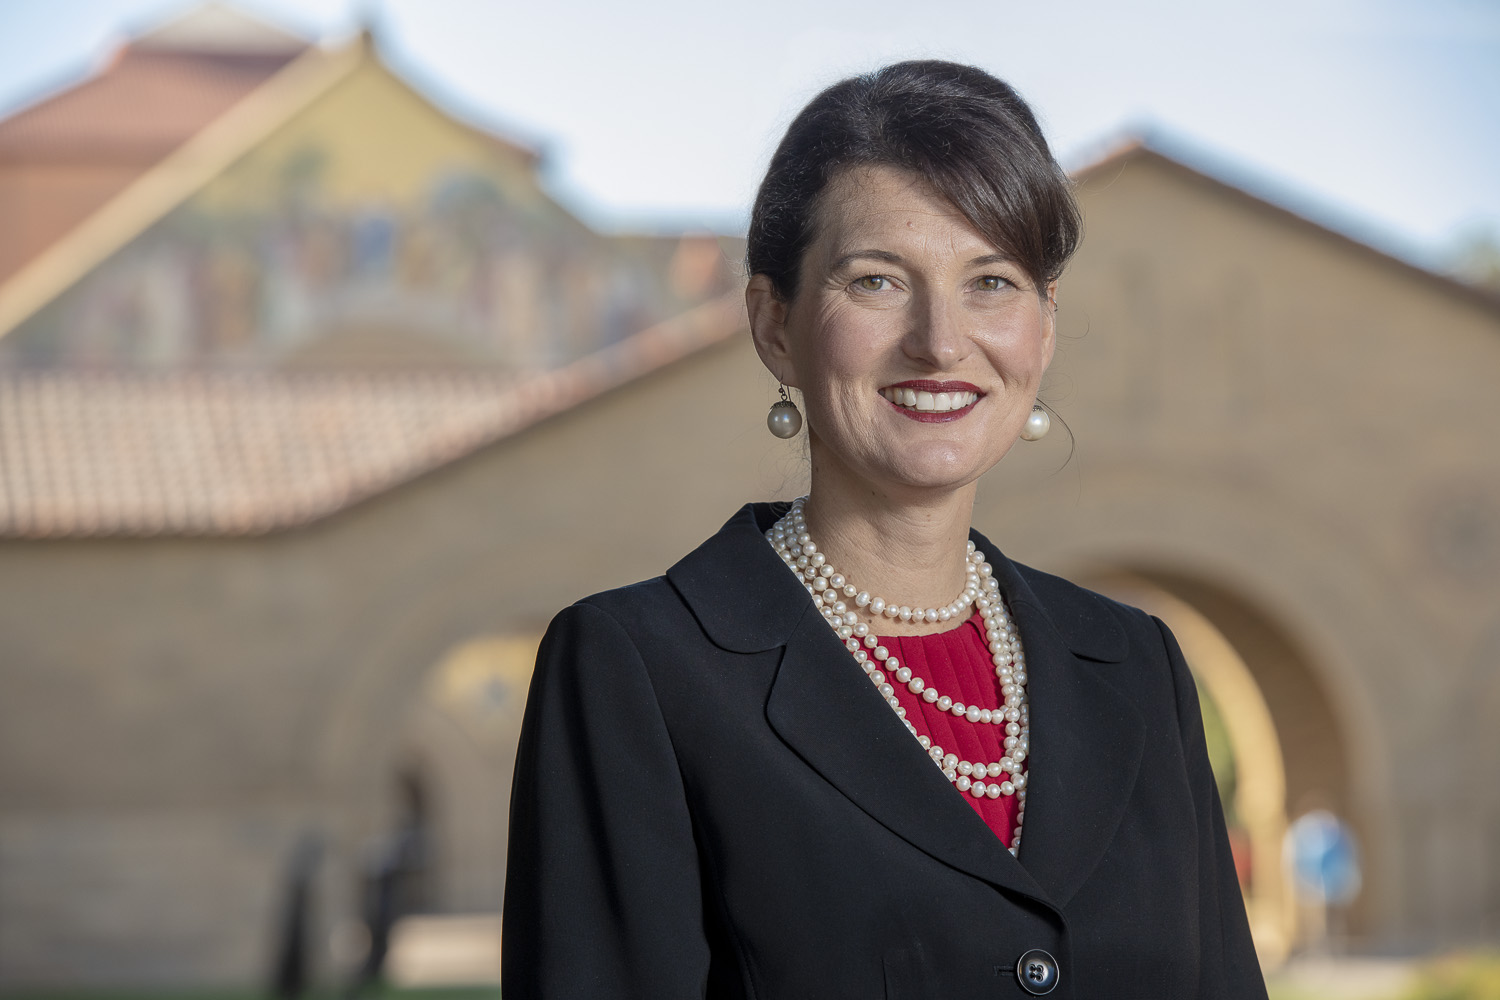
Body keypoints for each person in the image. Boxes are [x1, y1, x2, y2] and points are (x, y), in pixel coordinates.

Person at [502, 60, 1267, 999]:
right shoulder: (639, 672)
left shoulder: (1139, 668)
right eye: (875, 282)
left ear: (1045, 325)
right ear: (774, 323)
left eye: (992, 281)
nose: (941, 341)